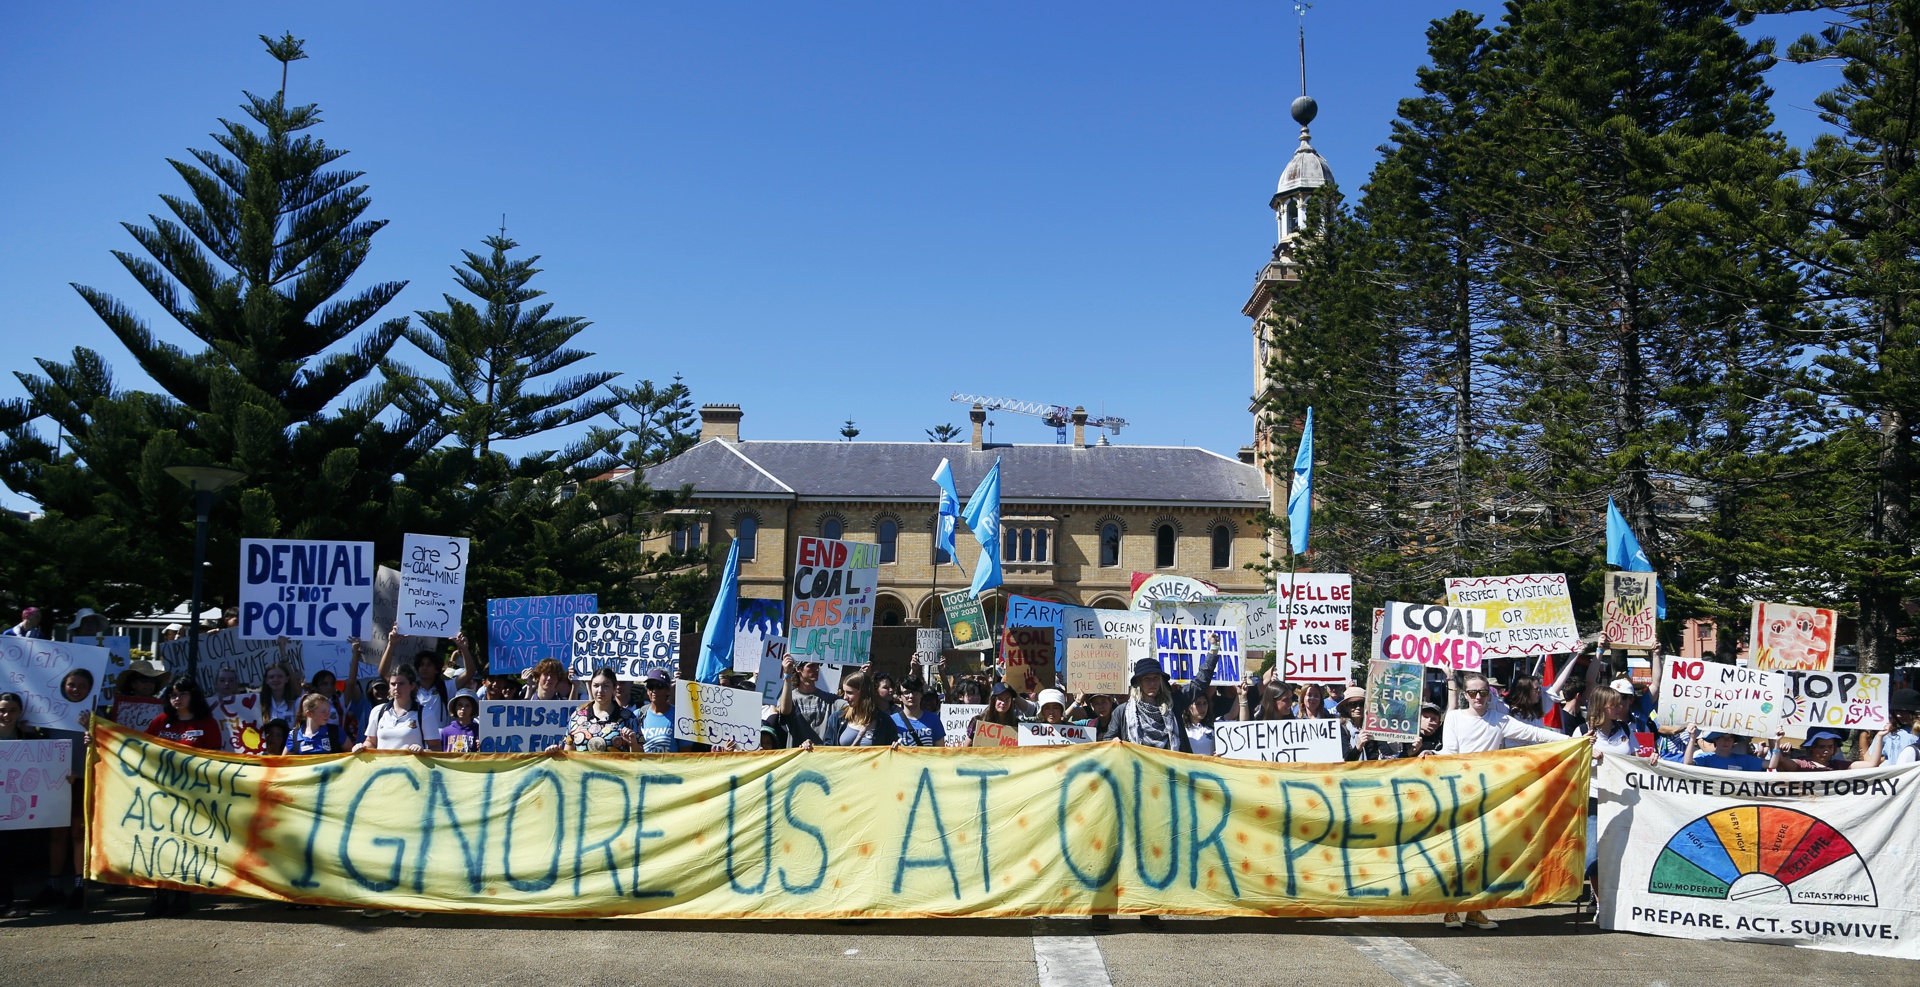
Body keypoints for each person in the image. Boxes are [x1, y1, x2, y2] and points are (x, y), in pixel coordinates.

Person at [1430, 672, 1565, 930]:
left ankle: (1475, 910)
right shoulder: (1455, 718)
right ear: (1465, 695)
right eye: (1473, 693)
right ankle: (1450, 909)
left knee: (1483, 856)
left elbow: (1537, 735)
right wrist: (1432, 755)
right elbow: (1449, 752)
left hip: (1490, 797)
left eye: (1483, 692)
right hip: (1460, 795)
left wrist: (1576, 741)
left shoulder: (1500, 720)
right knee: (1457, 854)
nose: (1479, 697)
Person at [141, 679, 221, 917]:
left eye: (182, 694)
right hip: (162, 795)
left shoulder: (207, 723)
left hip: (192, 797)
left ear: (193, 696)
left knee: (186, 844)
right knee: (159, 844)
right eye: (173, 695)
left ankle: (183, 895)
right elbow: (138, 746)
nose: (177, 699)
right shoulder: (160, 722)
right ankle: (160, 894)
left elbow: (215, 758)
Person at [0, 693, 47, 916]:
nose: (6, 715)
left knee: (6, 855)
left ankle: (5, 903)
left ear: (20, 713)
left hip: (13, 810)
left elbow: (49, 766)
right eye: (2, 710)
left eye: (12, 711)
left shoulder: (29, 738)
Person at [552, 667, 638, 753]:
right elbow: (568, 754)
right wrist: (555, 752)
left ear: (614, 688)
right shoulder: (577, 716)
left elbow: (641, 758)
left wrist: (633, 744)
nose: (600, 690)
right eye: (596, 686)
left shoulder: (628, 718)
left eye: (606, 686)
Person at [355, 664, 431, 753]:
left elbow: (436, 748)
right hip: (382, 766)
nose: (396, 688)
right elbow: (371, 742)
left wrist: (423, 751)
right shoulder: (378, 711)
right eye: (393, 684)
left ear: (412, 686)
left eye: (401, 684)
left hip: (411, 766)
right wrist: (361, 747)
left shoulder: (425, 713)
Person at [777, 655, 845, 747]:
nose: (816, 669)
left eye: (817, 665)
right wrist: (787, 675)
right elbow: (785, 712)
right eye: (811, 666)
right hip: (797, 757)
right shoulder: (790, 698)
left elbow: (853, 705)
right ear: (798, 669)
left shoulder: (830, 699)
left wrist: (863, 678)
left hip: (824, 756)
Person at [820, 670, 898, 746]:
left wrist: (896, 748)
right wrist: (810, 748)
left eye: (849, 693)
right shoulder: (836, 718)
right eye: (844, 692)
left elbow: (890, 753)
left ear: (863, 693)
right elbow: (827, 749)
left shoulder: (885, 722)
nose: (845, 697)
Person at [1773, 728, 1887, 771]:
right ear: (1811, 747)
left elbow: (1872, 764)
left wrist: (1880, 736)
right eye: (1821, 747)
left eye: (1830, 746)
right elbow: (1779, 761)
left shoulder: (1838, 765)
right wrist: (1777, 741)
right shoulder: (1803, 765)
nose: (1826, 750)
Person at [210, 664, 263, 754]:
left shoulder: (247, 706)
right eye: (222, 680)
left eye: (231, 680)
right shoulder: (208, 707)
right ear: (216, 683)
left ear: (236, 684)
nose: (227, 683)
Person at [1340, 693, 1404, 761]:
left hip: (1372, 768)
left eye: (1362, 704)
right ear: (1346, 707)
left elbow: (1386, 753)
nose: (1358, 707)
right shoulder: (1342, 729)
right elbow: (1347, 760)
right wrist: (1359, 746)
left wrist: (1410, 752)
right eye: (1353, 704)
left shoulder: (1372, 726)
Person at [635, 669, 684, 752]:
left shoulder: (679, 716)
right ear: (647, 691)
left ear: (668, 690)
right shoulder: (638, 715)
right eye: (650, 686)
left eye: (659, 686)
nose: (654, 690)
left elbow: (686, 753)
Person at [891, 673, 944, 747]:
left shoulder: (934, 719)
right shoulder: (891, 721)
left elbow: (941, 751)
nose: (911, 696)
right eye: (906, 692)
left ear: (921, 694)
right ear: (899, 696)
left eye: (915, 691)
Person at [1682, 726, 1766, 771]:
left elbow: (1771, 764)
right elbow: (1688, 763)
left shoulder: (1742, 759)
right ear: (1715, 739)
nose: (1726, 741)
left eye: (1730, 738)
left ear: (1734, 741)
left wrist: (1775, 742)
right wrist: (1692, 738)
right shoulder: (1706, 757)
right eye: (1722, 738)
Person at [258, 660, 302, 728]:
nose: (275, 679)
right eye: (271, 677)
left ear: (287, 679)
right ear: (266, 680)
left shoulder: (297, 702)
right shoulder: (258, 704)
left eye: (280, 676)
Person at [1884, 689, 1920, 764]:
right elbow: (1870, 759)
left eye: (1904, 712)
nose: (1898, 715)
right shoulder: (1889, 734)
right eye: (1896, 711)